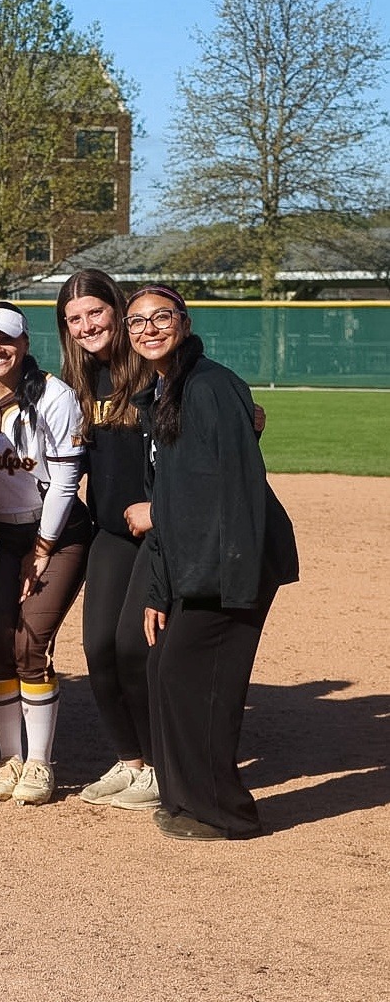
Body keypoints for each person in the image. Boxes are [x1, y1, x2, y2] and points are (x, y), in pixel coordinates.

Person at [131, 285, 297, 841]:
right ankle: (184, 800)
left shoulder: (210, 386)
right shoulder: (165, 391)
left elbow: (236, 485)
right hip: (196, 558)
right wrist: (160, 590)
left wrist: (229, 581)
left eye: (161, 317)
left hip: (231, 562)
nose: (149, 329)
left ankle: (225, 814)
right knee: (163, 668)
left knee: (196, 680)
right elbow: (170, 490)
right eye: (137, 322)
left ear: (184, 322)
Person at [0, 304, 90, 806]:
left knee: (29, 643)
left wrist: (42, 547)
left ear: (25, 343)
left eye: (6, 339)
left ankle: (39, 762)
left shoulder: (54, 395)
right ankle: (9, 757)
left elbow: (65, 482)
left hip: (55, 534)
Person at [53, 270, 162, 810]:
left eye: (95, 312)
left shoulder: (154, 371)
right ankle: (131, 762)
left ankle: (162, 765)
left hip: (160, 532)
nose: (86, 325)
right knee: (98, 647)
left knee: (133, 646)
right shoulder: (80, 380)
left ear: (118, 311)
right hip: (111, 532)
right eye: (74, 319)